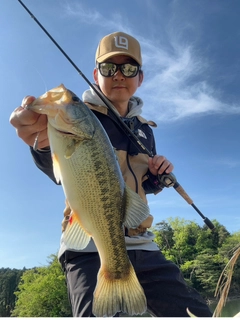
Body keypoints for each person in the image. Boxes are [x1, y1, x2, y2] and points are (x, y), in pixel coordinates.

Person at [10, 31, 212, 317]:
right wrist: (40, 144)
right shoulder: (75, 118)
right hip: (87, 246)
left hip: (143, 243)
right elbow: (57, 168)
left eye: (128, 68)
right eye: (109, 68)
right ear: (96, 74)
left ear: (140, 78)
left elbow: (139, 187)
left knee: (196, 313)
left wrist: (156, 178)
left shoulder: (145, 130)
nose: (119, 75)